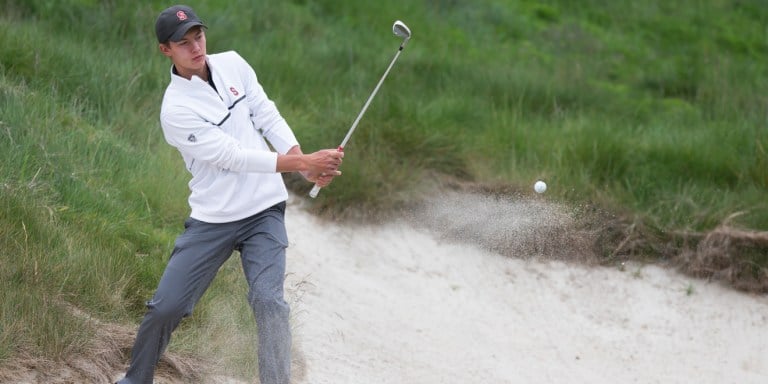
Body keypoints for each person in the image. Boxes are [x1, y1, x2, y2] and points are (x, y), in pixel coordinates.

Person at [116, 5, 343, 384]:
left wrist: (301, 161)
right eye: (183, 43)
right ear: (165, 50)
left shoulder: (234, 63)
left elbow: (266, 114)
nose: (196, 47)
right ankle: (134, 380)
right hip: (213, 218)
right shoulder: (175, 110)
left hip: (264, 211)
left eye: (198, 36)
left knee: (269, 302)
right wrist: (303, 162)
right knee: (167, 307)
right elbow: (232, 157)